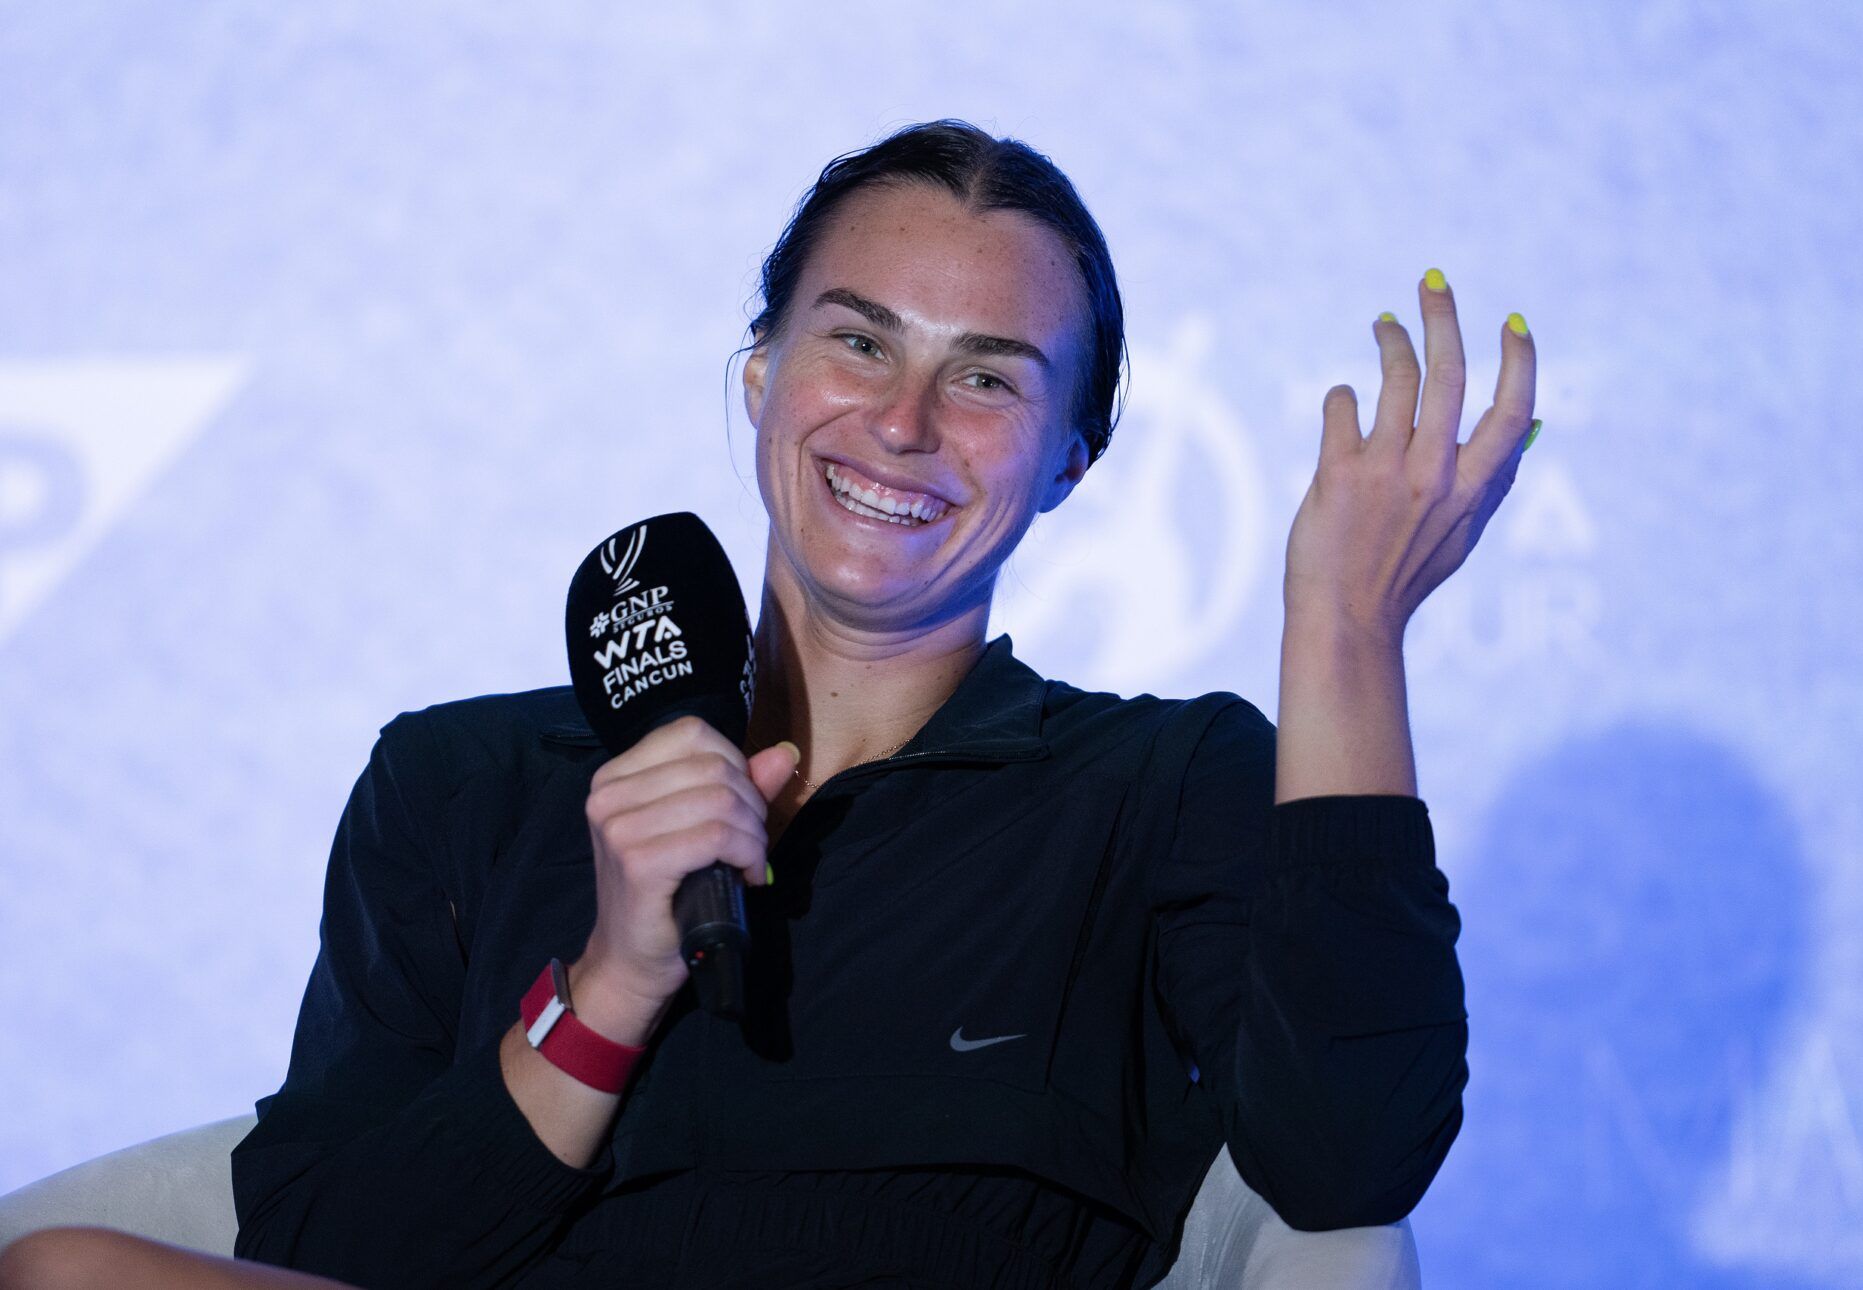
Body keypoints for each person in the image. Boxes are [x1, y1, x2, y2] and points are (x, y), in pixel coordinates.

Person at [0, 117, 1537, 1289]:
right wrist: (608, 982)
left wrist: (1344, 631)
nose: (902, 419)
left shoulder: (1161, 781)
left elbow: (1348, 1162)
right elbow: (329, 1241)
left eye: (991, 378)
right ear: (759, 374)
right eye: (857, 338)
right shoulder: (467, 777)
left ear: (1075, 457)